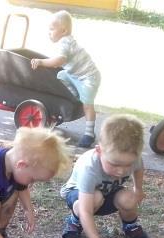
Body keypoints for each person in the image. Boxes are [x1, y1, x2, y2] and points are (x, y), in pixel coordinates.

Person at [60, 114, 151, 238]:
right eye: (114, 164)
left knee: (129, 199)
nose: (121, 171)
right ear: (99, 151)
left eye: (127, 165)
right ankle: (75, 221)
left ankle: (131, 227)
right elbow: (86, 209)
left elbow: (138, 167)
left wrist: (138, 189)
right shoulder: (89, 168)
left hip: (107, 193)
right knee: (95, 198)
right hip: (79, 195)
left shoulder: (132, 155)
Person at [29, 10, 101, 148]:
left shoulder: (65, 43)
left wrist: (41, 62)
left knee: (87, 105)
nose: (49, 32)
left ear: (63, 30)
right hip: (76, 75)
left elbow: (59, 61)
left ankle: (89, 133)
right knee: (61, 75)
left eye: (52, 29)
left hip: (88, 77)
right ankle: (73, 94)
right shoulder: (65, 41)